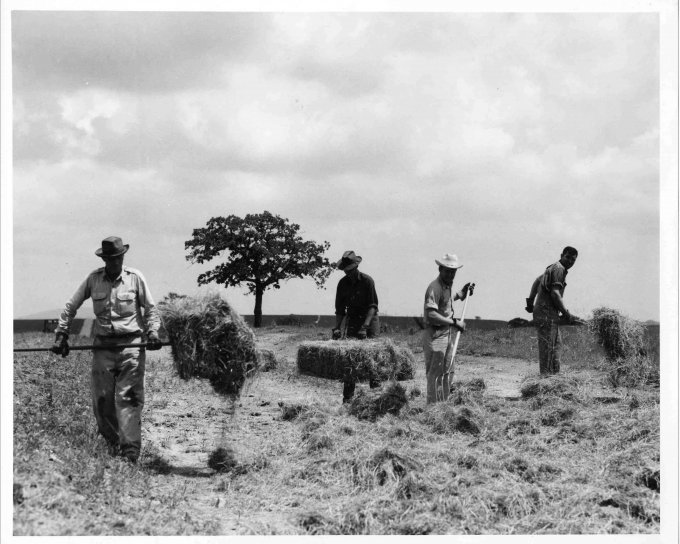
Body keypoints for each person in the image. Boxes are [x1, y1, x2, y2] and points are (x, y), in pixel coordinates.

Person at [51, 236, 162, 463]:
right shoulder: (93, 279)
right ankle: (114, 445)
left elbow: (151, 309)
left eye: (116, 258)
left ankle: (130, 452)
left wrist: (152, 332)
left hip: (131, 345)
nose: (113, 262)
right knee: (101, 401)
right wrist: (62, 334)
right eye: (108, 259)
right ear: (103, 259)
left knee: (128, 398)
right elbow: (71, 306)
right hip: (103, 346)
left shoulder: (136, 279)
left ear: (122, 257)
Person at [422, 253, 473, 404]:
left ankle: (443, 404)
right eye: (447, 271)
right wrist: (454, 323)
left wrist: (461, 293)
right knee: (435, 373)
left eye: (453, 271)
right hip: (435, 334)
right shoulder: (434, 288)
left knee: (448, 370)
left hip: (446, 333)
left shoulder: (447, 285)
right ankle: (433, 408)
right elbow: (431, 315)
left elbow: (447, 302)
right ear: (440, 269)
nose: (451, 274)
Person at [331, 250, 380, 402]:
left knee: (373, 358)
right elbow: (340, 309)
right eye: (346, 271)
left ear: (356, 267)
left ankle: (376, 396)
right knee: (350, 359)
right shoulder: (343, 283)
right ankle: (348, 399)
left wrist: (364, 327)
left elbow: (373, 306)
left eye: (351, 270)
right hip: (352, 321)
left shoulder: (367, 281)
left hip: (369, 320)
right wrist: (337, 327)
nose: (349, 274)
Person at [525, 246, 581, 375]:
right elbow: (555, 294)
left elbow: (537, 281)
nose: (570, 262)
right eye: (567, 257)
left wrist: (530, 302)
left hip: (546, 312)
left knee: (556, 345)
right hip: (546, 312)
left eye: (573, 260)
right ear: (561, 255)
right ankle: (546, 380)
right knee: (549, 347)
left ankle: (553, 377)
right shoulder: (559, 269)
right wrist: (567, 314)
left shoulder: (553, 267)